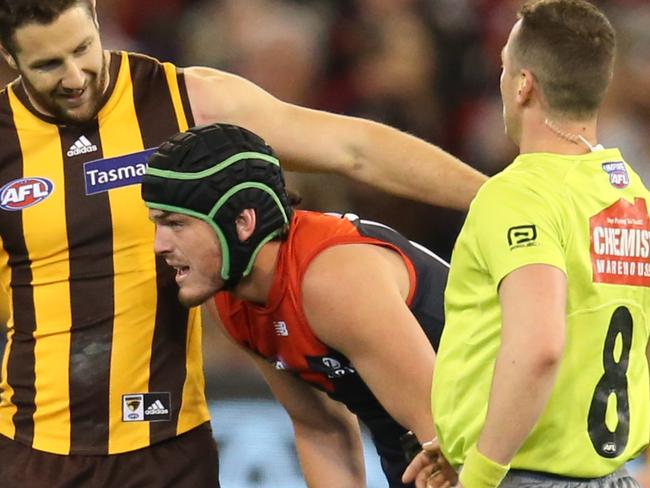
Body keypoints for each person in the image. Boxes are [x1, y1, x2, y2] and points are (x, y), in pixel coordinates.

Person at [0, 1, 485, 486]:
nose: (74, 76)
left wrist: (499, 199)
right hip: (30, 445)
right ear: (9, 57)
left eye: (83, 49)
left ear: (98, 21)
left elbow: (355, 151)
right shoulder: (5, 140)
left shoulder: (186, 100)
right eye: (47, 64)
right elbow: (323, 429)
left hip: (168, 443)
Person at [404, 1, 650, 487]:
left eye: (504, 66)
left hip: (528, 476)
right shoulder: (629, 196)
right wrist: (464, 437)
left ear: (524, 84)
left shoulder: (518, 196)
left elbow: (539, 347)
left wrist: (479, 473)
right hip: (610, 473)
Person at [141, 122, 457, 488]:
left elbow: (447, 433)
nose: (159, 245)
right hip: (420, 443)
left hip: (495, 431)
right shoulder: (228, 296)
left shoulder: (332, 281)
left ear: (243, 223)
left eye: (176, 224)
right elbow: (322, 429)